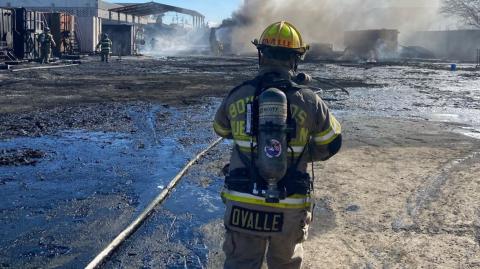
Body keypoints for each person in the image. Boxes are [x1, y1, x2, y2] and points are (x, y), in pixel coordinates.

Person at [213, 21, 342, 269]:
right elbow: (332, 143)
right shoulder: (309, 99)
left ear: (261, 55)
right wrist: (300, 152)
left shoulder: (238, 93)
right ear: (295, 60)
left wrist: (250, 139)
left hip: (243, 201)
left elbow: (221, 129)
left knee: (240, 263)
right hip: (289, 204)